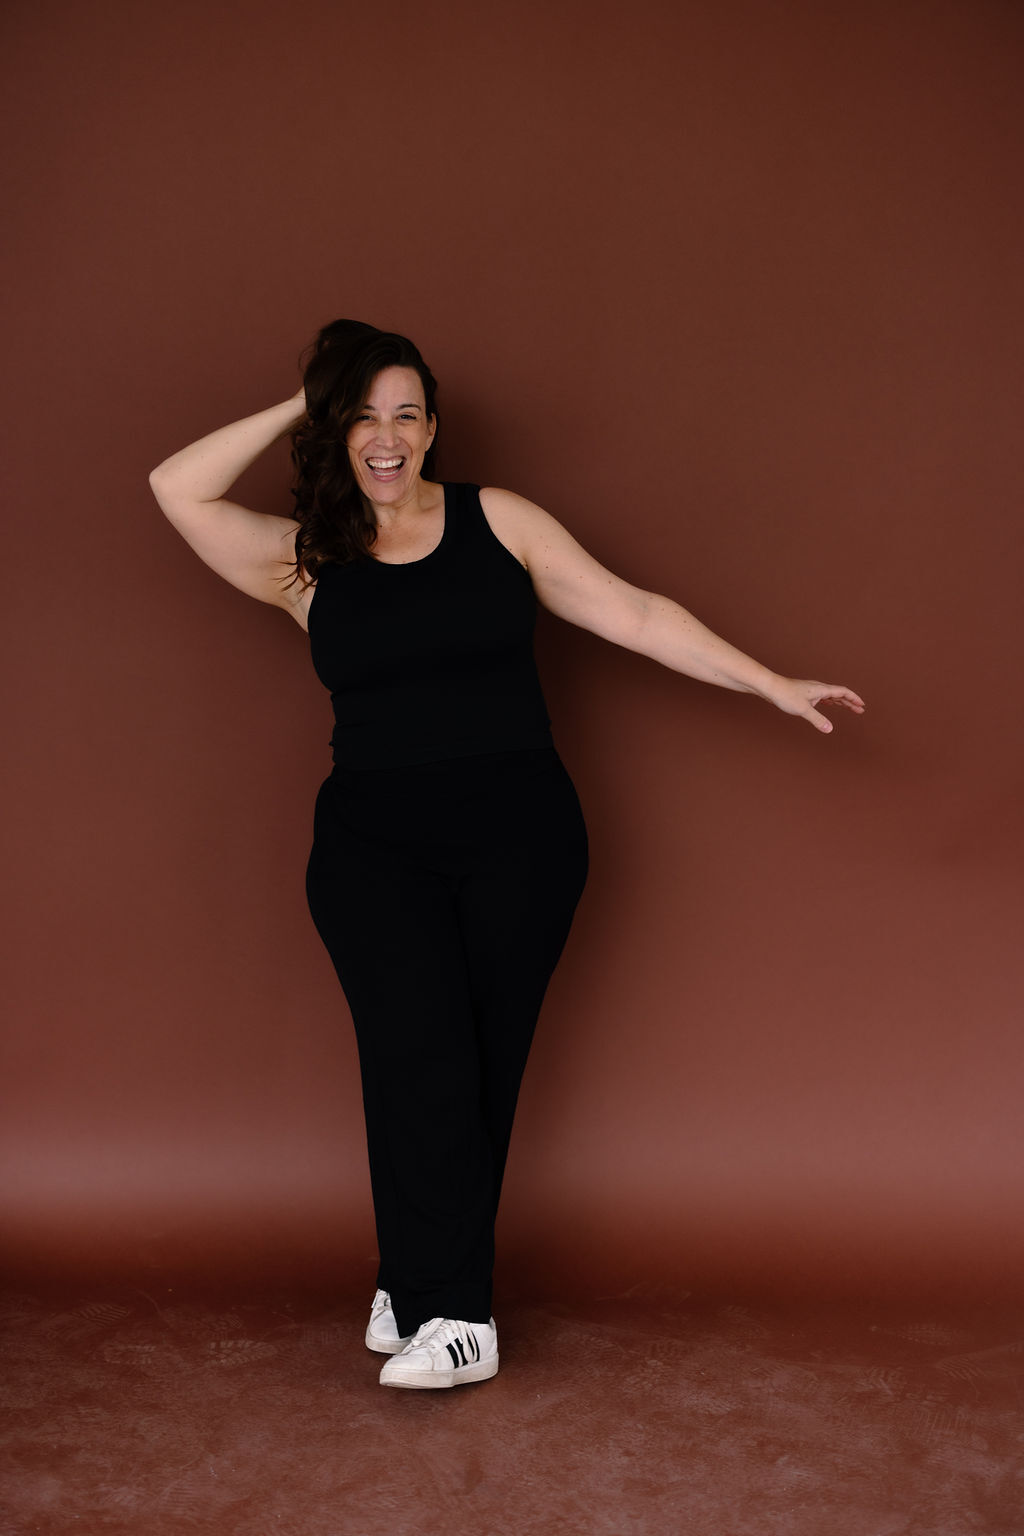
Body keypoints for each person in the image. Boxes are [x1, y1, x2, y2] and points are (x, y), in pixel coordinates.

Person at [149, 319, 865, 1391]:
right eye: (363, 416)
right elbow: (176, 487)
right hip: (371, 853)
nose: (386, 437)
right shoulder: (306, 561)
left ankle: (419, 1285)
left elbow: (633, 612)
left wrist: (768, 682)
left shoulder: (500, 522)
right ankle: (459, 1314)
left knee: (476, 1068)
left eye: (406, 415)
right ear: (335, 428)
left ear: (432, 430)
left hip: (520, 844)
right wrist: (312, 394)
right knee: (416, 1060)